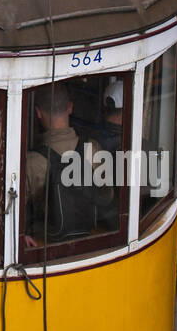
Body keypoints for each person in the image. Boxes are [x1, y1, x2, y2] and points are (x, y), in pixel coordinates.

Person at [25, 83, 114, 242]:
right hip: (90, 236)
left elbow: (20, 212)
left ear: (37, 112)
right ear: (71, 107)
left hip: (46, 243)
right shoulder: (93, 149)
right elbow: (107, 197)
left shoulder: (31, 162)